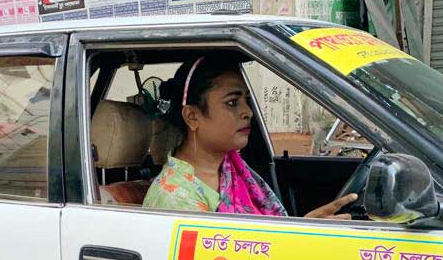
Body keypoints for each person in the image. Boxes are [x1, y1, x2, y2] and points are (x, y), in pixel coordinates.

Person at [143, 54, 358, 218]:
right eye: (232, 103)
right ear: (192, 116)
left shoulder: (232, 170)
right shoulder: (175, 198)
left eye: (246, 100)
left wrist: (304, 230)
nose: (248, 112)